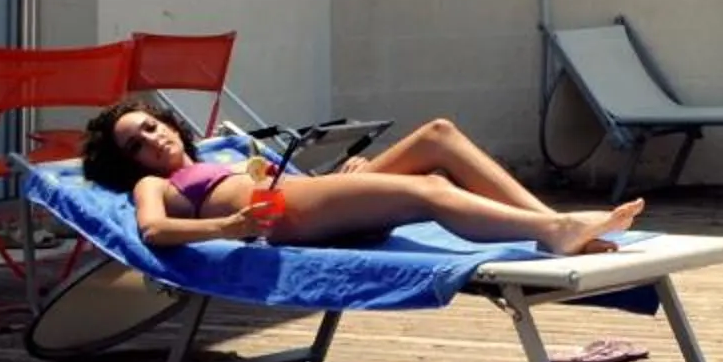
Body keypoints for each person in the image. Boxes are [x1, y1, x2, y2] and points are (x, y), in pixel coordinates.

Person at [78, 95, 642, 256]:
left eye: (151, 127)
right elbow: (153, 232)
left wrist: (348, 176)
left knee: (439, 133)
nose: (153, 140)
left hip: (306, 196)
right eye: (137, 143)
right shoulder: (152, 186)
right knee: (432, 190)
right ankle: (551, 233)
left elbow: (288, 181)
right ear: (129, 162)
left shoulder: (215, 155)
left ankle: (554, 224)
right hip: (287, 218)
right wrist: (227, 227)